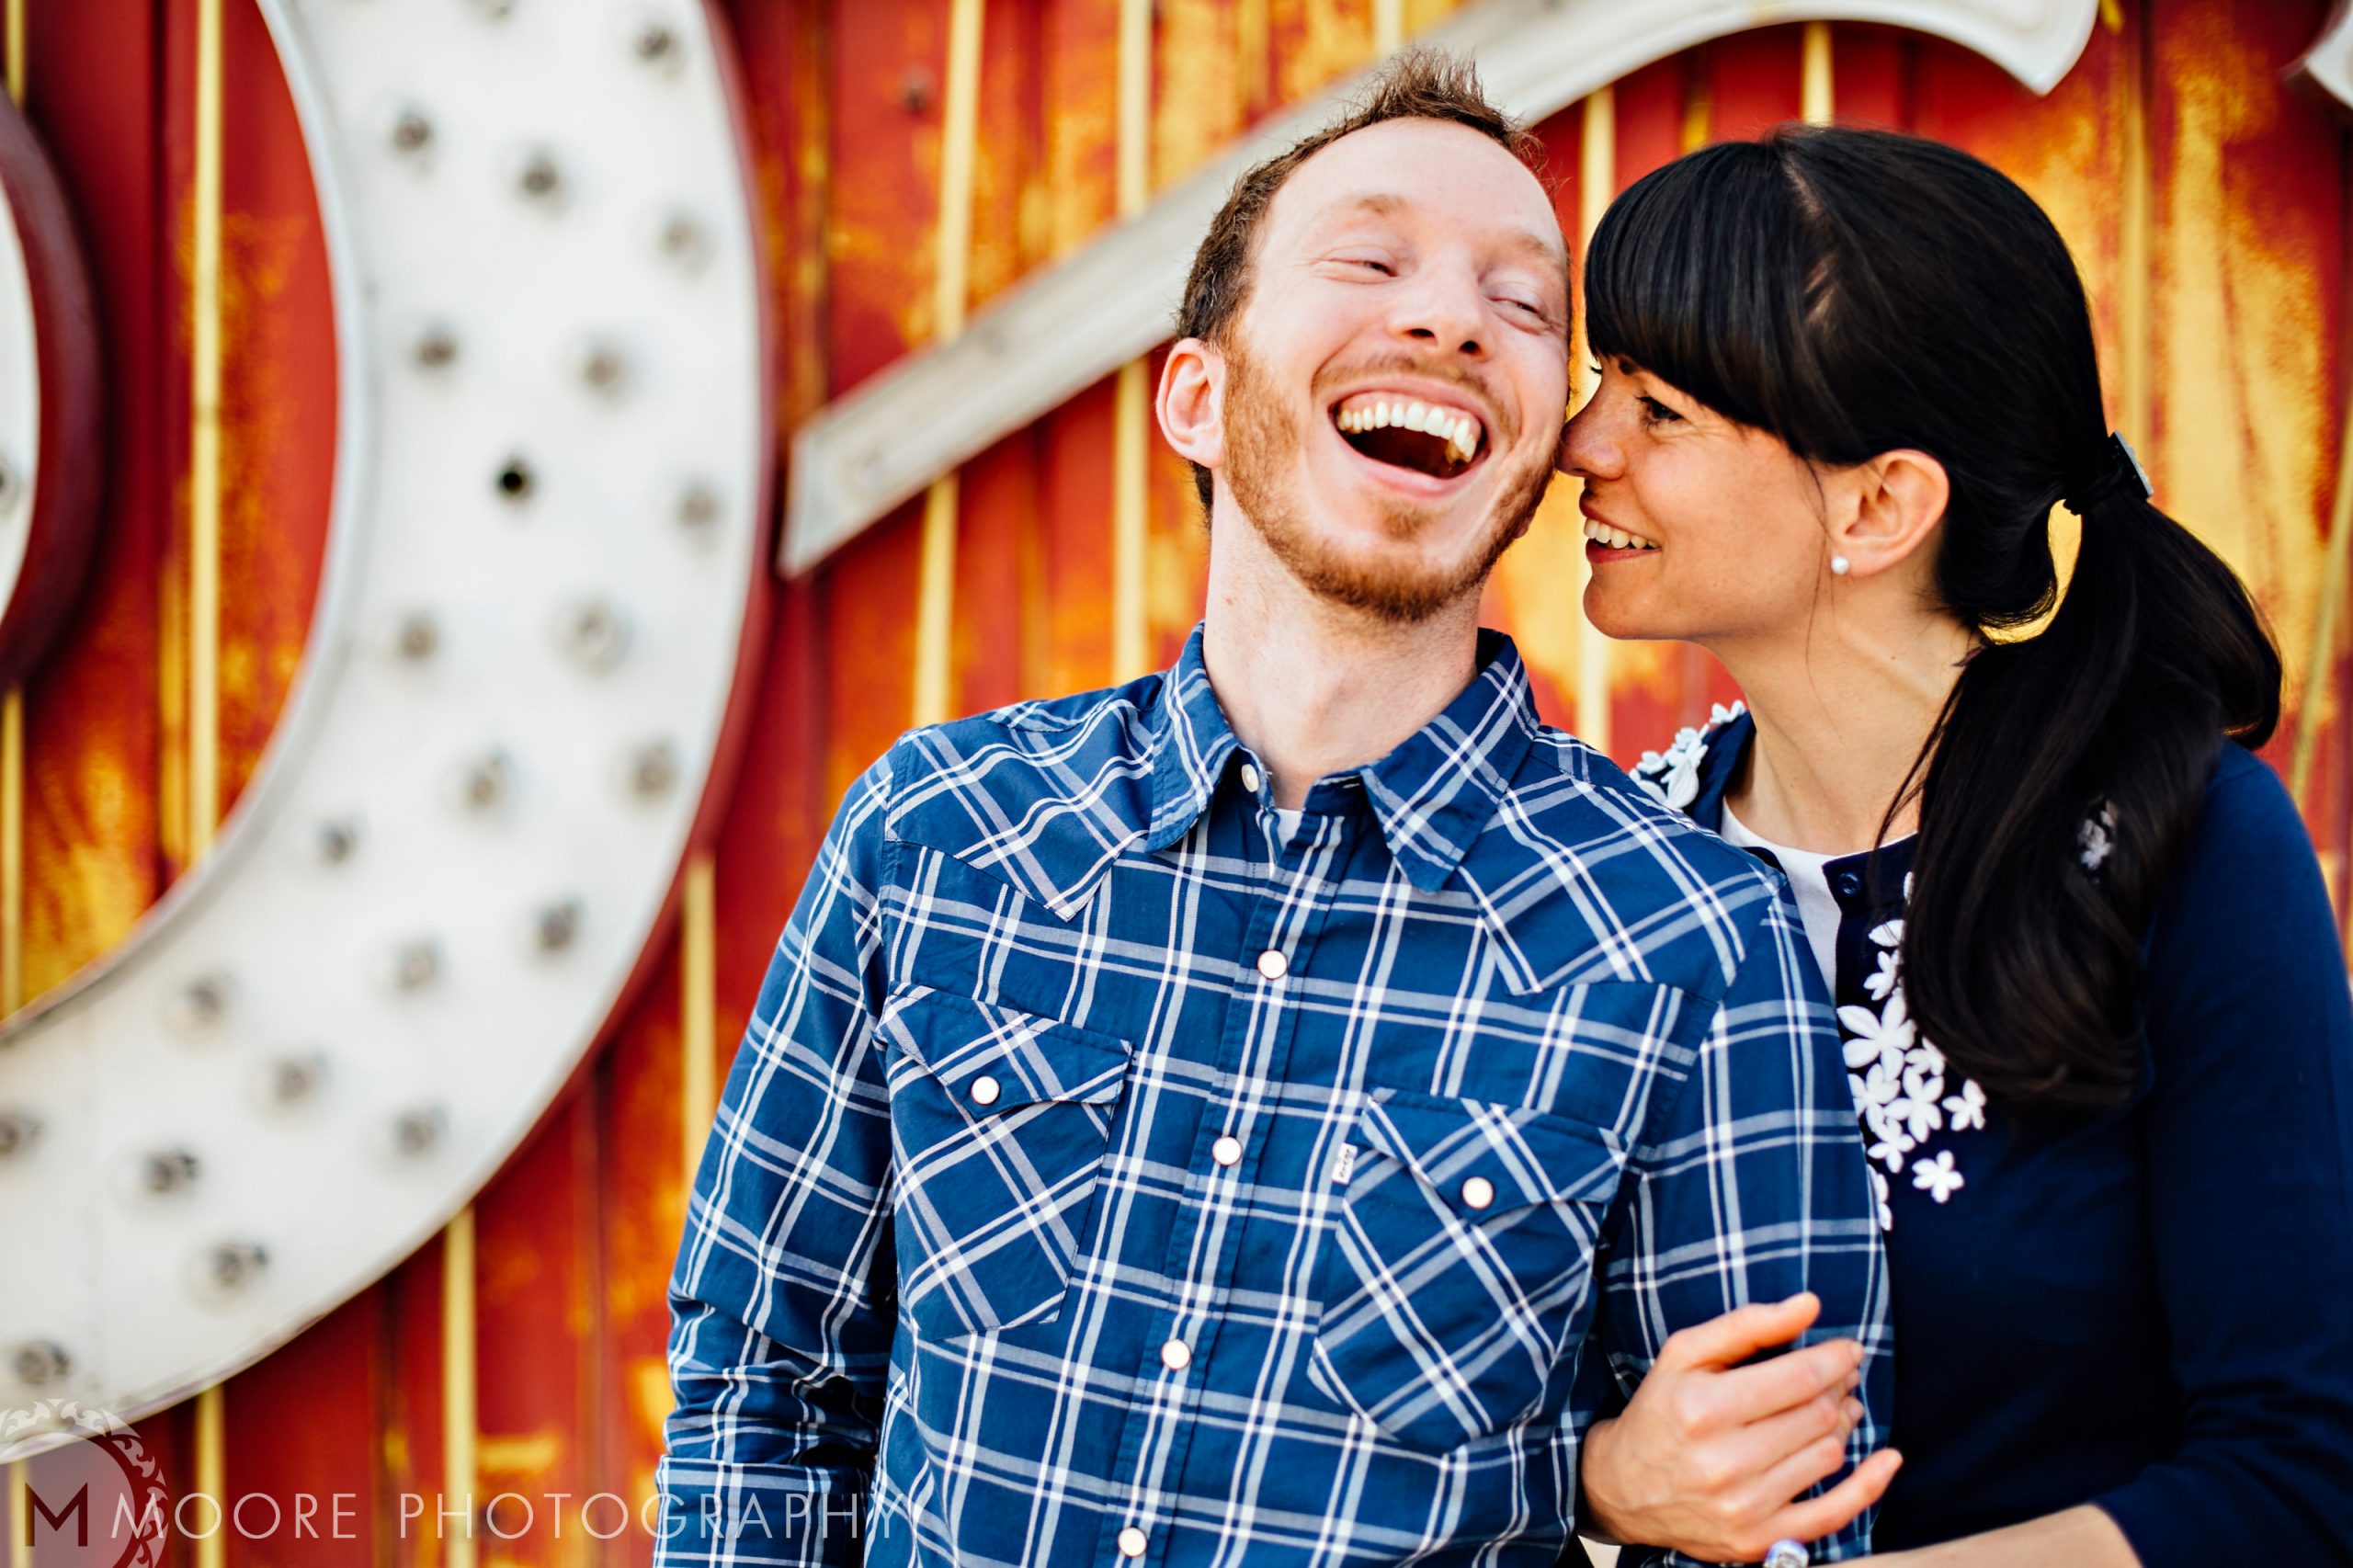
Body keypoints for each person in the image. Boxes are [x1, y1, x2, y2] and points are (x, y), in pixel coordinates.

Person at [654, 52, 1893, 1568]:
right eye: (1369, 261)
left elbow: (1784, 1529)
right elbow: (762, 1389)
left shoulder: (1687, 937)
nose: (1451, 319)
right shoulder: (935, 835)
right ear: (1197, 394)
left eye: (1521, 305)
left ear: (1535, 460)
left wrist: (1568, 1484)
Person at [1556, 124, 2353, 1565]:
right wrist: (1605, 1485)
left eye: (1657, 407)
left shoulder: (2182, 844)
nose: (1580, 445)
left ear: (1880, 505)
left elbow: (2299, 1473)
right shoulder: (1604, 870)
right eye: (1600, 378)